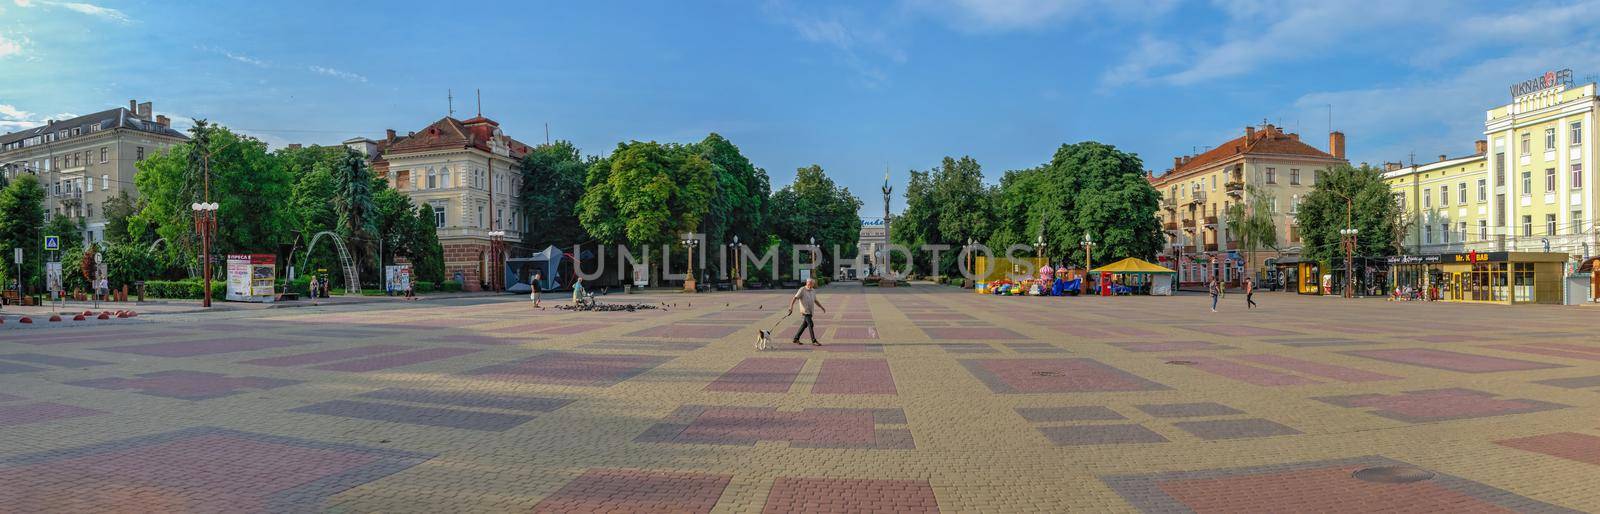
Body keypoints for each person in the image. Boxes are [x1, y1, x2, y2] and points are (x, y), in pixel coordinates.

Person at [787, 278, 827, 346]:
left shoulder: (813, 291)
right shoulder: (802, 289)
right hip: (805, 311)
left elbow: (815, 300)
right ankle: (813, 340)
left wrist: (821, 307)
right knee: (810, 324)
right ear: (807, 283)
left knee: (804, 325)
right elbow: (795, 298)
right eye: (809, 283)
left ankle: (796, 338)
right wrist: (791, 307)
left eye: (811, 284)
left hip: (810, 311)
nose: (810, 285)